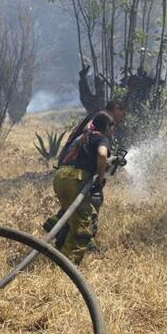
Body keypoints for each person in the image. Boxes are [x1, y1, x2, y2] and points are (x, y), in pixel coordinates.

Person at [49, 100, 126, 252]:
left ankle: (57, 227)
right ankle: (86, 244)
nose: (122, 118)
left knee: (75, 208)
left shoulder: (96, 120)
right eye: (122, 113)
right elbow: (99, 151)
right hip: (76, 171)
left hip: (67, 170)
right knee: (91, 204)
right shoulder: (99, 122)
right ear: (116, 109)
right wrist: (100, 175)